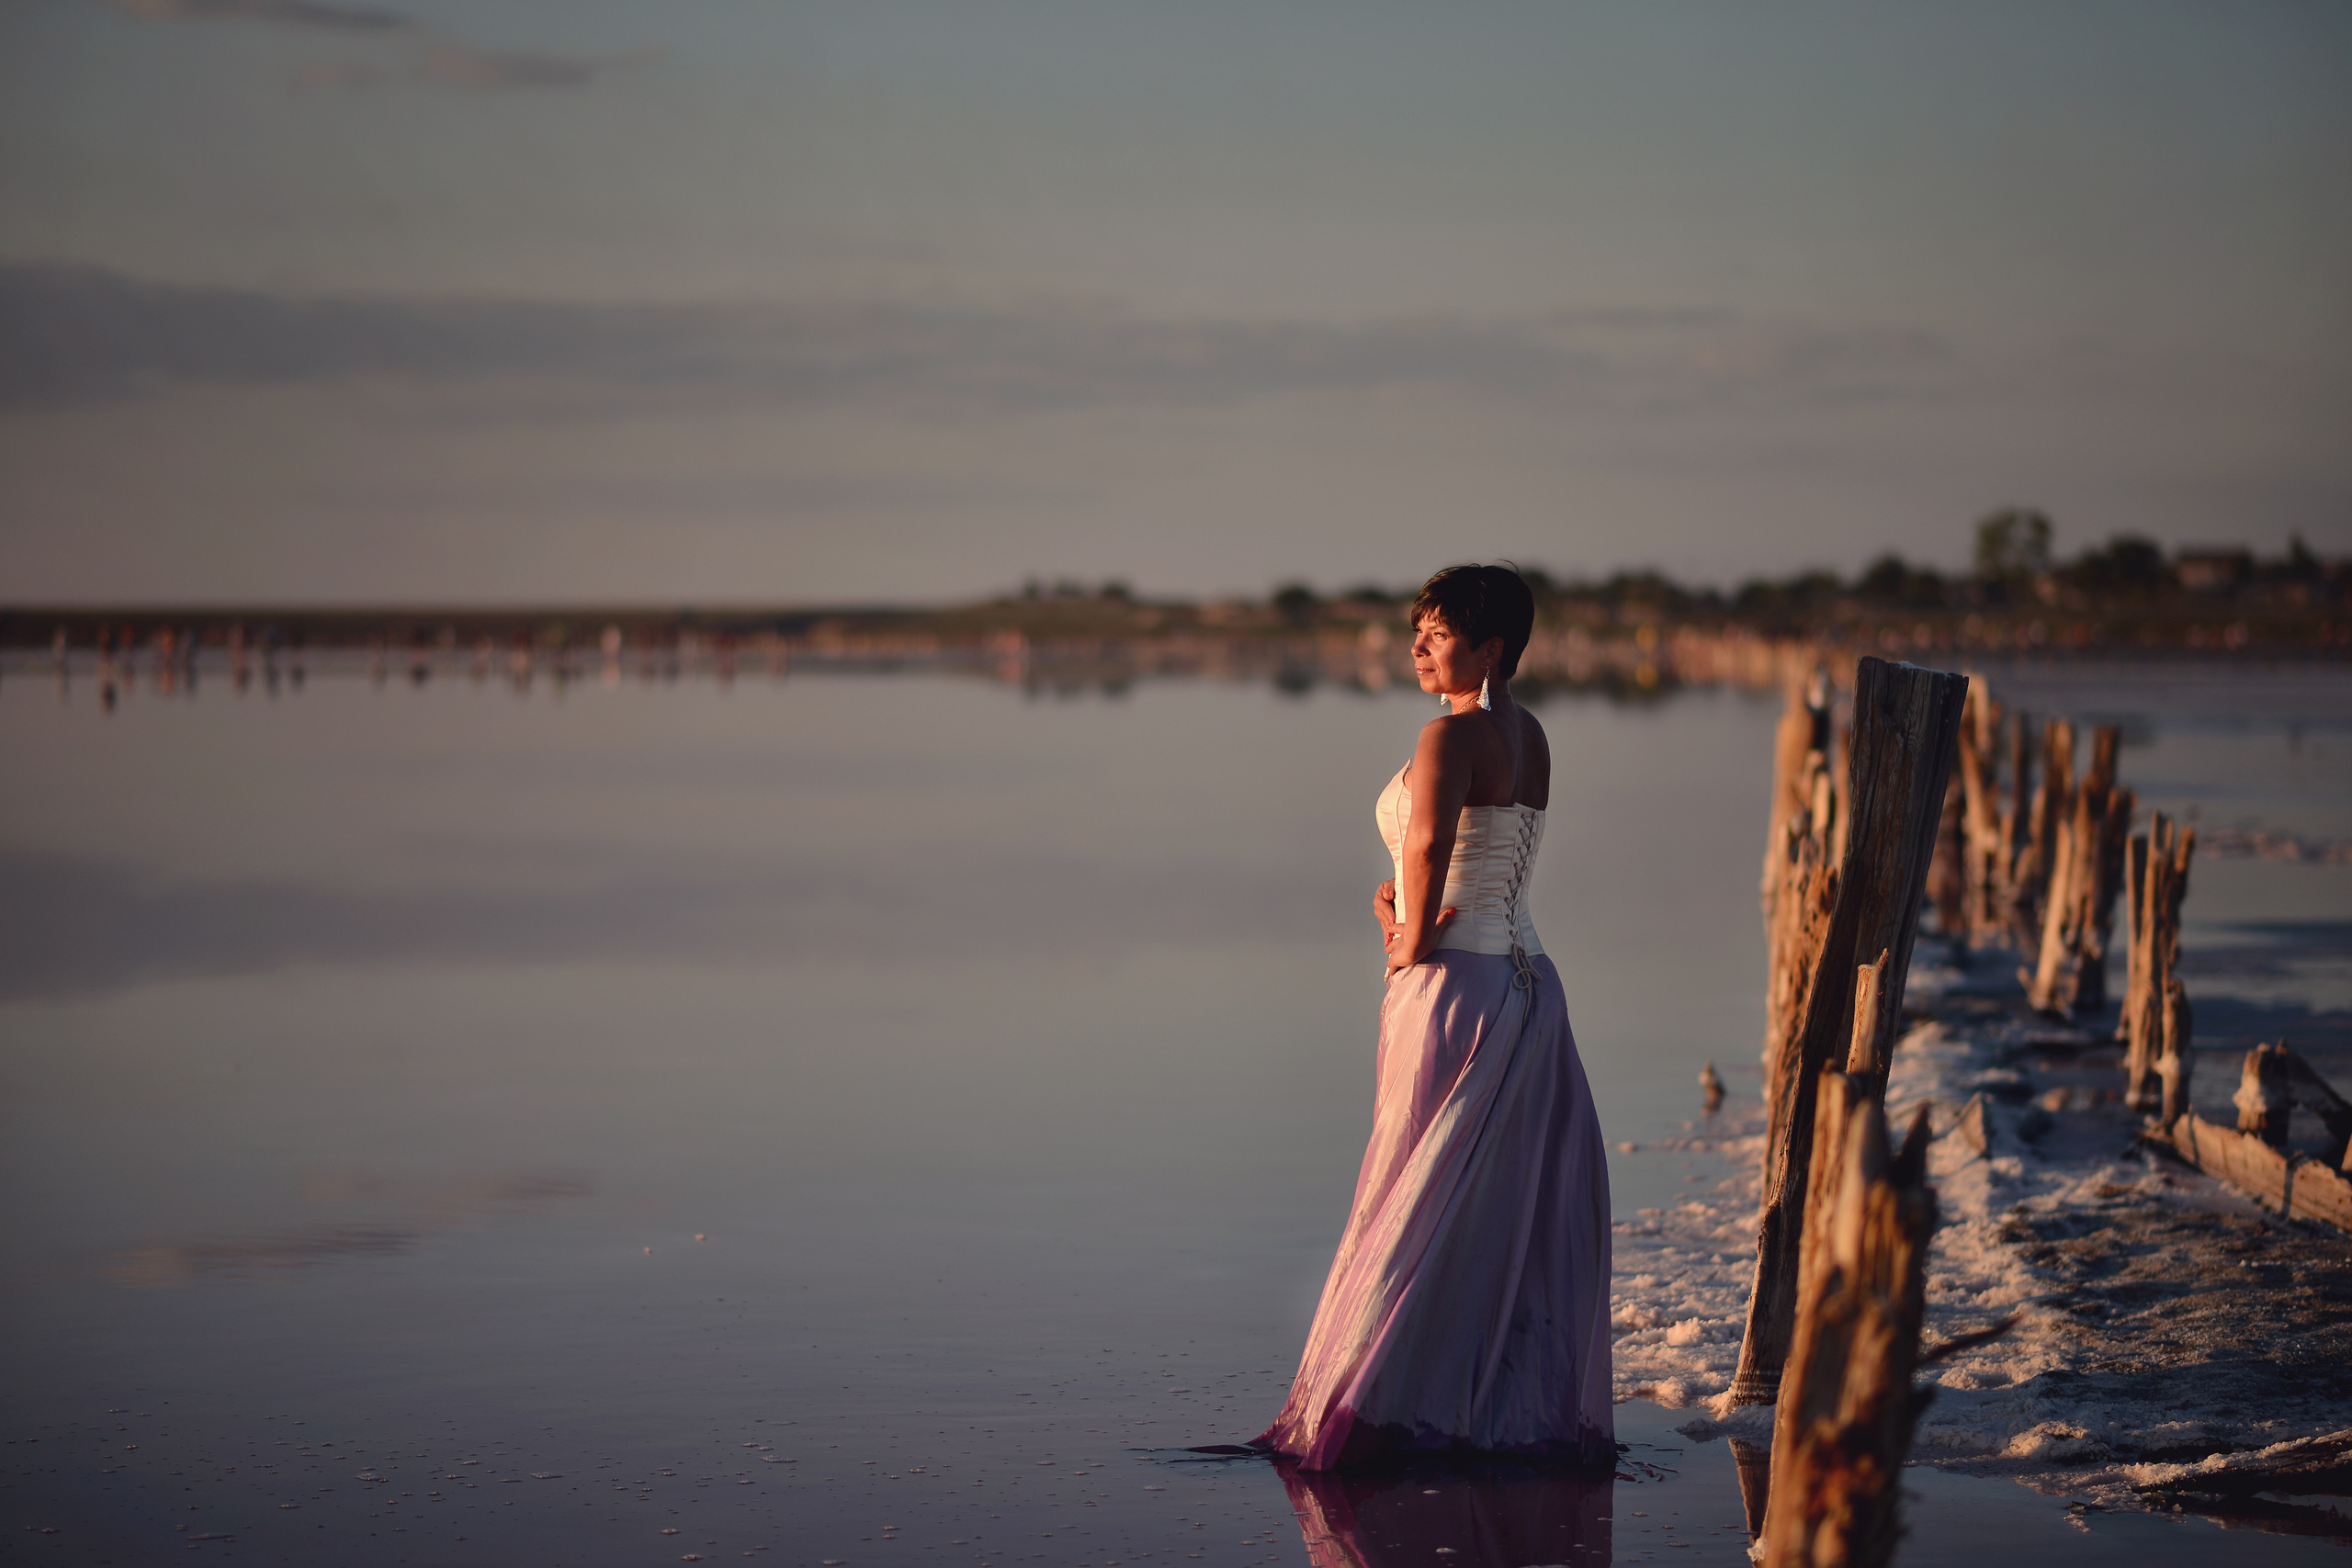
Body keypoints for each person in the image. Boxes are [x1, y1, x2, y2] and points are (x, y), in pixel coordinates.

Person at [1256, 563, 1613, 1472]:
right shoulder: (1530, 735)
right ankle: (1483, 1400)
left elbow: (1428, 844)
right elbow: (1488, 865)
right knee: (1489, 1210)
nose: (1415, 645)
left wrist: (1399, 933)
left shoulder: (1446, 737)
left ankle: (1388, 1407)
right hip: (1529, 985)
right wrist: (1415, 915)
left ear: (1489, 649)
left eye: (1437, 632)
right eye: (1416, 628)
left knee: (1413, 1201)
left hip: (1454, 987)